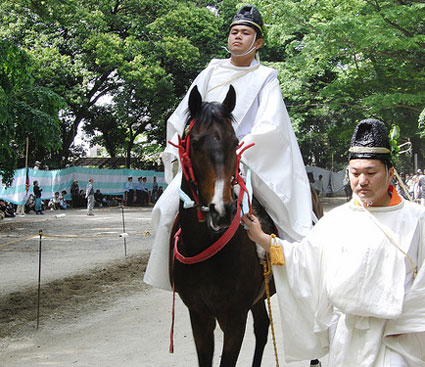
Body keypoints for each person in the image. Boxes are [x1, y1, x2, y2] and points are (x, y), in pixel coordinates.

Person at [144, 5, 314, 291]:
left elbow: (271, 124)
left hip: (245, 155)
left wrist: (239, 148)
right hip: (205, 158)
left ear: (257, 42)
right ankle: (172, 275)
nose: (237, 37)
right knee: (163, 209)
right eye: (234, 32)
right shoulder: (211, 70)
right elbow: (184, 114)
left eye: (245, 33)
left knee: (278, 211)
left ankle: (286, 266)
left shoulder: (266, 77)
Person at [242, 119, 425, 366]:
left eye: (371, 173)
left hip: (394, 339)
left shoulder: (417, 219)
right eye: (355, 173)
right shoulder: (337, 220)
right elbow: (304, 258)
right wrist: (262, 238)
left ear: (390, 174)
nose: (362, 181)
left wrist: (406, 323)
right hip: (347, 336)